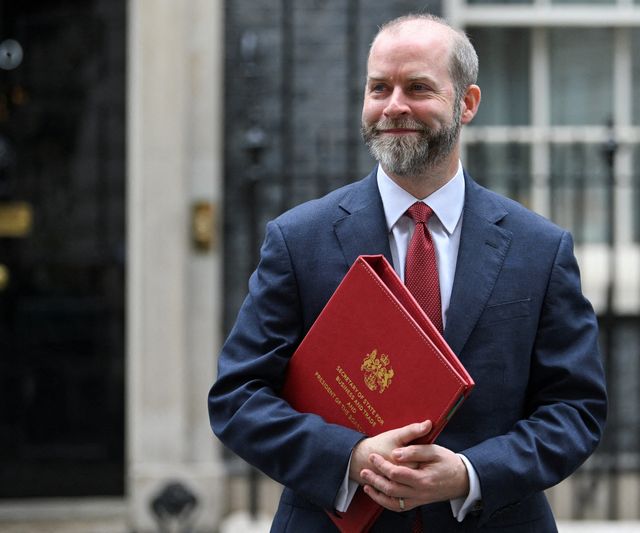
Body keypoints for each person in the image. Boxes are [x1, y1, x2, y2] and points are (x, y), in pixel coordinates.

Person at [209, 13, 606, 532]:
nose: (394, 106)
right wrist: (351, 458)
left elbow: (575, 409)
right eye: (379, 88)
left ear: (467, 103)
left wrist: (470, 473)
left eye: (418, 87)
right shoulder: (298, 239)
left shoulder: (540, 248)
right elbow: (238, 397)